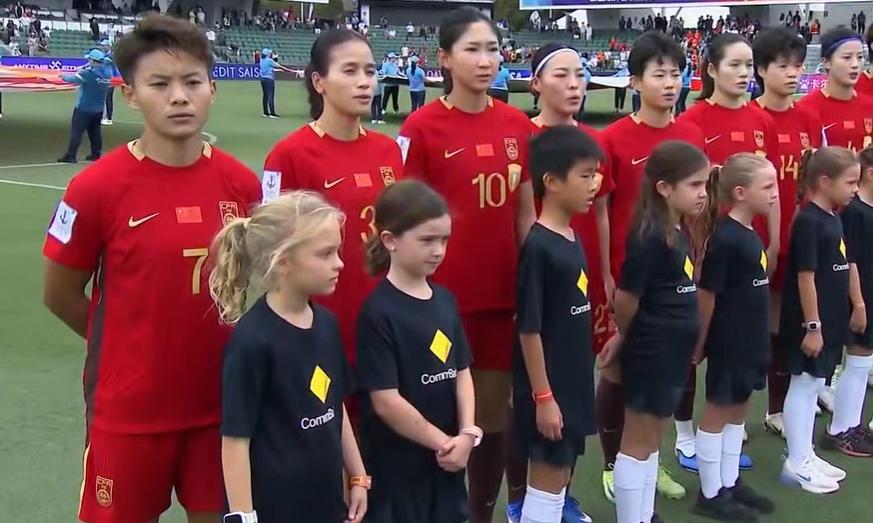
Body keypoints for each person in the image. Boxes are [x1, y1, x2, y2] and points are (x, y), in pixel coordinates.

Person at [41, 15, 261, 523]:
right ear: (131, 95)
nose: (179, 97)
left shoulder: (241, 185)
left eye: (193, 82)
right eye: (160, 84)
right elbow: (59, 293)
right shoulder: (95, 187)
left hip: (220, 409)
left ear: (212, 89)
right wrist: (127, 344)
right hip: (130, 412)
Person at [396, 8, 536, 523]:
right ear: (444, 59)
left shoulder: (517, 125)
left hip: (500, 300)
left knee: (490, 422)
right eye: (472, 50)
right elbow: (405, 217)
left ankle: (480, 514)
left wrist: (533, 280)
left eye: (492, 49)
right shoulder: (420, 127)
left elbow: (525, 212)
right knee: (433, 419)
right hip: (438, 304)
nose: (485, 60)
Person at [213, 192, 369, 523]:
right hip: (275, 509)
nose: (339, 263)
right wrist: (243, 516)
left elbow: (333, 404)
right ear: (283, 262)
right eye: (325, 253)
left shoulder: (326, 324)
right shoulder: (252, 341)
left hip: (325, 504)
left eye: (337, 251)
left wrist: (357, 475)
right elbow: (236, 440)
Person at [596, 31, 704, 505]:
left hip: (673, 275)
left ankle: (646, 459)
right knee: (618, 369)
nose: (669, 83)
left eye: (675, 73)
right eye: (658, 74)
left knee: (665, 370)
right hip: (629, 275)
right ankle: (612, 463)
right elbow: (601, 210)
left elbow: (699, 208)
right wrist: (606, 272)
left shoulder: (691, 135)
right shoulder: (613, 138)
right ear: (635, 81)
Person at [506, 43, 607, 523]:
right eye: (585, 176)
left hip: (573, 374)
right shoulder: (541, 247)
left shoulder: (570, 235)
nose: (595, 185)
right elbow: (529, 329)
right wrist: (543, 397)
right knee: (545, 483)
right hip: (550, 386)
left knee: (561, 468)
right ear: (550, 181)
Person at [262, 29, 404, 372]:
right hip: (320, 329)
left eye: (370, 71)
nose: (364, 82)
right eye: (349, 71)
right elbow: (272, 256)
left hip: (386, 323)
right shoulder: (288, 155)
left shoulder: (388, 150)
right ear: (319, 82)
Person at [677, 33, 781, 472]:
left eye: (748, 65)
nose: (743, 73)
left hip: (746, 248)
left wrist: (773, 239)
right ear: (711, 70)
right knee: (697, 339)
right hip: (707, 247)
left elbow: (772, 187)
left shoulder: (761, 119)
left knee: (736, 340)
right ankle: (686, 435)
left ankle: (724, 447)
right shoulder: (694, 120)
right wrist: (697, 247)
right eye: (734, 65)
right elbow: (691, 193)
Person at [356, 180, 478, 523]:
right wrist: (444, 443)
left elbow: (462, 372)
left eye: (444, 240)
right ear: (390, 240)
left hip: (447, 465)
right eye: (427, 240)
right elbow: (386, 400)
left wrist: (467, 433)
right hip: (399, 473)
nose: (438, 250)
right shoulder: (378, 312)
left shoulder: (445, 301)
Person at [611, 141, 709, 523]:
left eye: (705, 185)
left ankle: (645, 513)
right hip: (652, 348)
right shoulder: (649, 235)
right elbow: (626, 298)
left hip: (671, 348)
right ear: (664, 188)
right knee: (638, 440)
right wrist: (628, 337)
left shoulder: (676, 229)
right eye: (694, 185)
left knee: (653, 438)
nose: (702, 193)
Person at [690, 153, 778, 521]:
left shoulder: (749, 233)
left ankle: (729, 481)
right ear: (740, 193)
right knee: (718, 413)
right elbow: (707, 295)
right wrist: (698, 346)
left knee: (738, 409)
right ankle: (710, 492)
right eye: (767, 186)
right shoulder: (725, 238)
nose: (775, 193)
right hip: (730, 341)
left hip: (751, 340)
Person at [751, 27, 824, 438]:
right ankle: (722, 419)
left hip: (799, 235)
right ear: (762, 70)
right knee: (750, 324)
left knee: (790, 321)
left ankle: (779, 407)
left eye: (797, 66)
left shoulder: (808, 118)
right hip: (757, 238)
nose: (793, 73)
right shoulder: (752, 118)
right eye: (783, 66)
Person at [779, 146, 860, 493]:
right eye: (850, 182)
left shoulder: (833, 216)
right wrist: (812, 326)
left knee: (814, 386)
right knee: (804, 384)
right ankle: (796, 462)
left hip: (830, 319)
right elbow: (805, 277)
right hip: (810, 324)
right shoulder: (809, 220)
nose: (855, 189)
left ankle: (806, 453)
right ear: (825, 182)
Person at [840, 146, 873, 439]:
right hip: (862, 297)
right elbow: (849, 261)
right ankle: (843, 428)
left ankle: (855, 427)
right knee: (858, 361)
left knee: (864, 363)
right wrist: (859, 303)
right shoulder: (854, 212)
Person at [799, 26, 873, 154]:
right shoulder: (807, 109)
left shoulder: (869, 106)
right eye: (847, 57)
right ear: (826, 62)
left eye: (860, 57)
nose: (855, 64)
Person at [57, 48, 111, 163]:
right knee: (95, 133)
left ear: (93, 60)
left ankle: (71, 155)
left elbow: (73, 79)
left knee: (77, 132)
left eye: (90, 59)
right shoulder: (107, 74)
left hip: (83, 108)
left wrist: (62, 76)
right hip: (98, 109)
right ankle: (96, 154)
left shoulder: (88, 74)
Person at [259, 48, 292, 118]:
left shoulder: (261, 60)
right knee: (271, 95)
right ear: (268, 54)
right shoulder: (269, 61)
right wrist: (287, 70)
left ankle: (265, 112)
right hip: (269, 79)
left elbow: (270, 67)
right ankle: (272, 113)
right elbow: (278, 65)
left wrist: (275, 59)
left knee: (265, 95)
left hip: (263, 79)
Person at [99, 39, 118, 126]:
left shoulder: (111, 56)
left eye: (104, 45)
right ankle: (105, 117)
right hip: (104, 79)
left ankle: (108, 118)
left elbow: (101, 62)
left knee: (108, 99)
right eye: (102, 45)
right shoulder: (105, 55)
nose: (102, 47)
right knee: (105, 98)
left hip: (110, 80)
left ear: (108, 46)